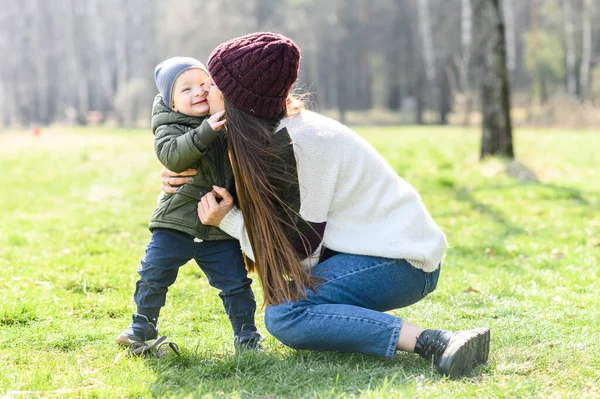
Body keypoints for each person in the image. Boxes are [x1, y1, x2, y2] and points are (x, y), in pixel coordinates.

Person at [164, 33, 490, 378]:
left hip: (402, 262)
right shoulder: (266, 135)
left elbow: (300, 253)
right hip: (367, 250)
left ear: (239, 99)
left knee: (286, 315)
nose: (204, 91)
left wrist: (228, 220)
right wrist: (182, 174)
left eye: (214, 84)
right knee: (289, 306)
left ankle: (437, 342)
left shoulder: (298, 146)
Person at [117, 56, 262, 353]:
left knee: (236, 283)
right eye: (186, 90)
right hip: (176, 223)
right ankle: (142, 324)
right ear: (171, 104)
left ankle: (247, 336)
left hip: (218, 227)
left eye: (203, 84)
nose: (198, 92)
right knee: (153, 274)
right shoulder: (170, 125)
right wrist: (207, 130)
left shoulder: (223, 119)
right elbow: (172, 156)